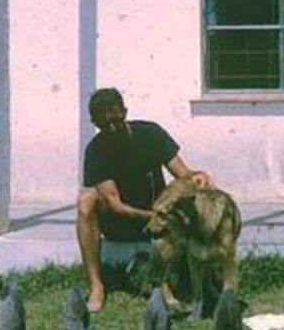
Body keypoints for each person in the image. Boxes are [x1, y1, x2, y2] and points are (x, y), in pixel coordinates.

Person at [76, 87, 210, 312]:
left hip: (157, 214)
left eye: (116, 121)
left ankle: (206, 275)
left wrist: (199, 178)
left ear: (125, 112)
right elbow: (116, 205)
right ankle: (97, 285)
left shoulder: (150, 134)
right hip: (124, 221)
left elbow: (183, 174)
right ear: (94, 122)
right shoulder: (96, 151)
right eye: (104, 125)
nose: (112, 128)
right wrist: (155, 216)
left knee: (199, 186)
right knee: (86, 202)